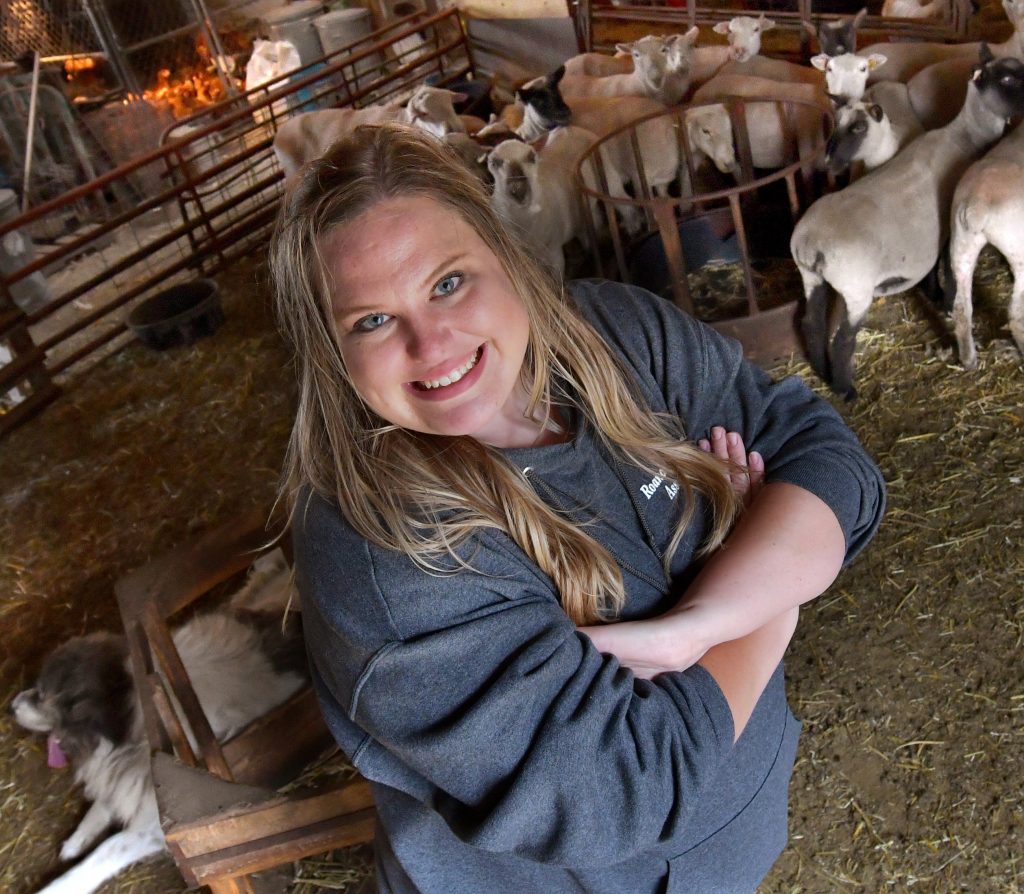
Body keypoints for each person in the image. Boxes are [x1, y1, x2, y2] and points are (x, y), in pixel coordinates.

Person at [270, 123, 885, 894]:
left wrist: (698, 629)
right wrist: (765, 599)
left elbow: (832, 464)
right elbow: (623, 785)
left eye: (448, 282)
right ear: (329, 351)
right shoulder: (384, 555)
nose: (432, 343)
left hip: (725, 844)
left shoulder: (621, 335)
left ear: (501, 252)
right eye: (371, 320)